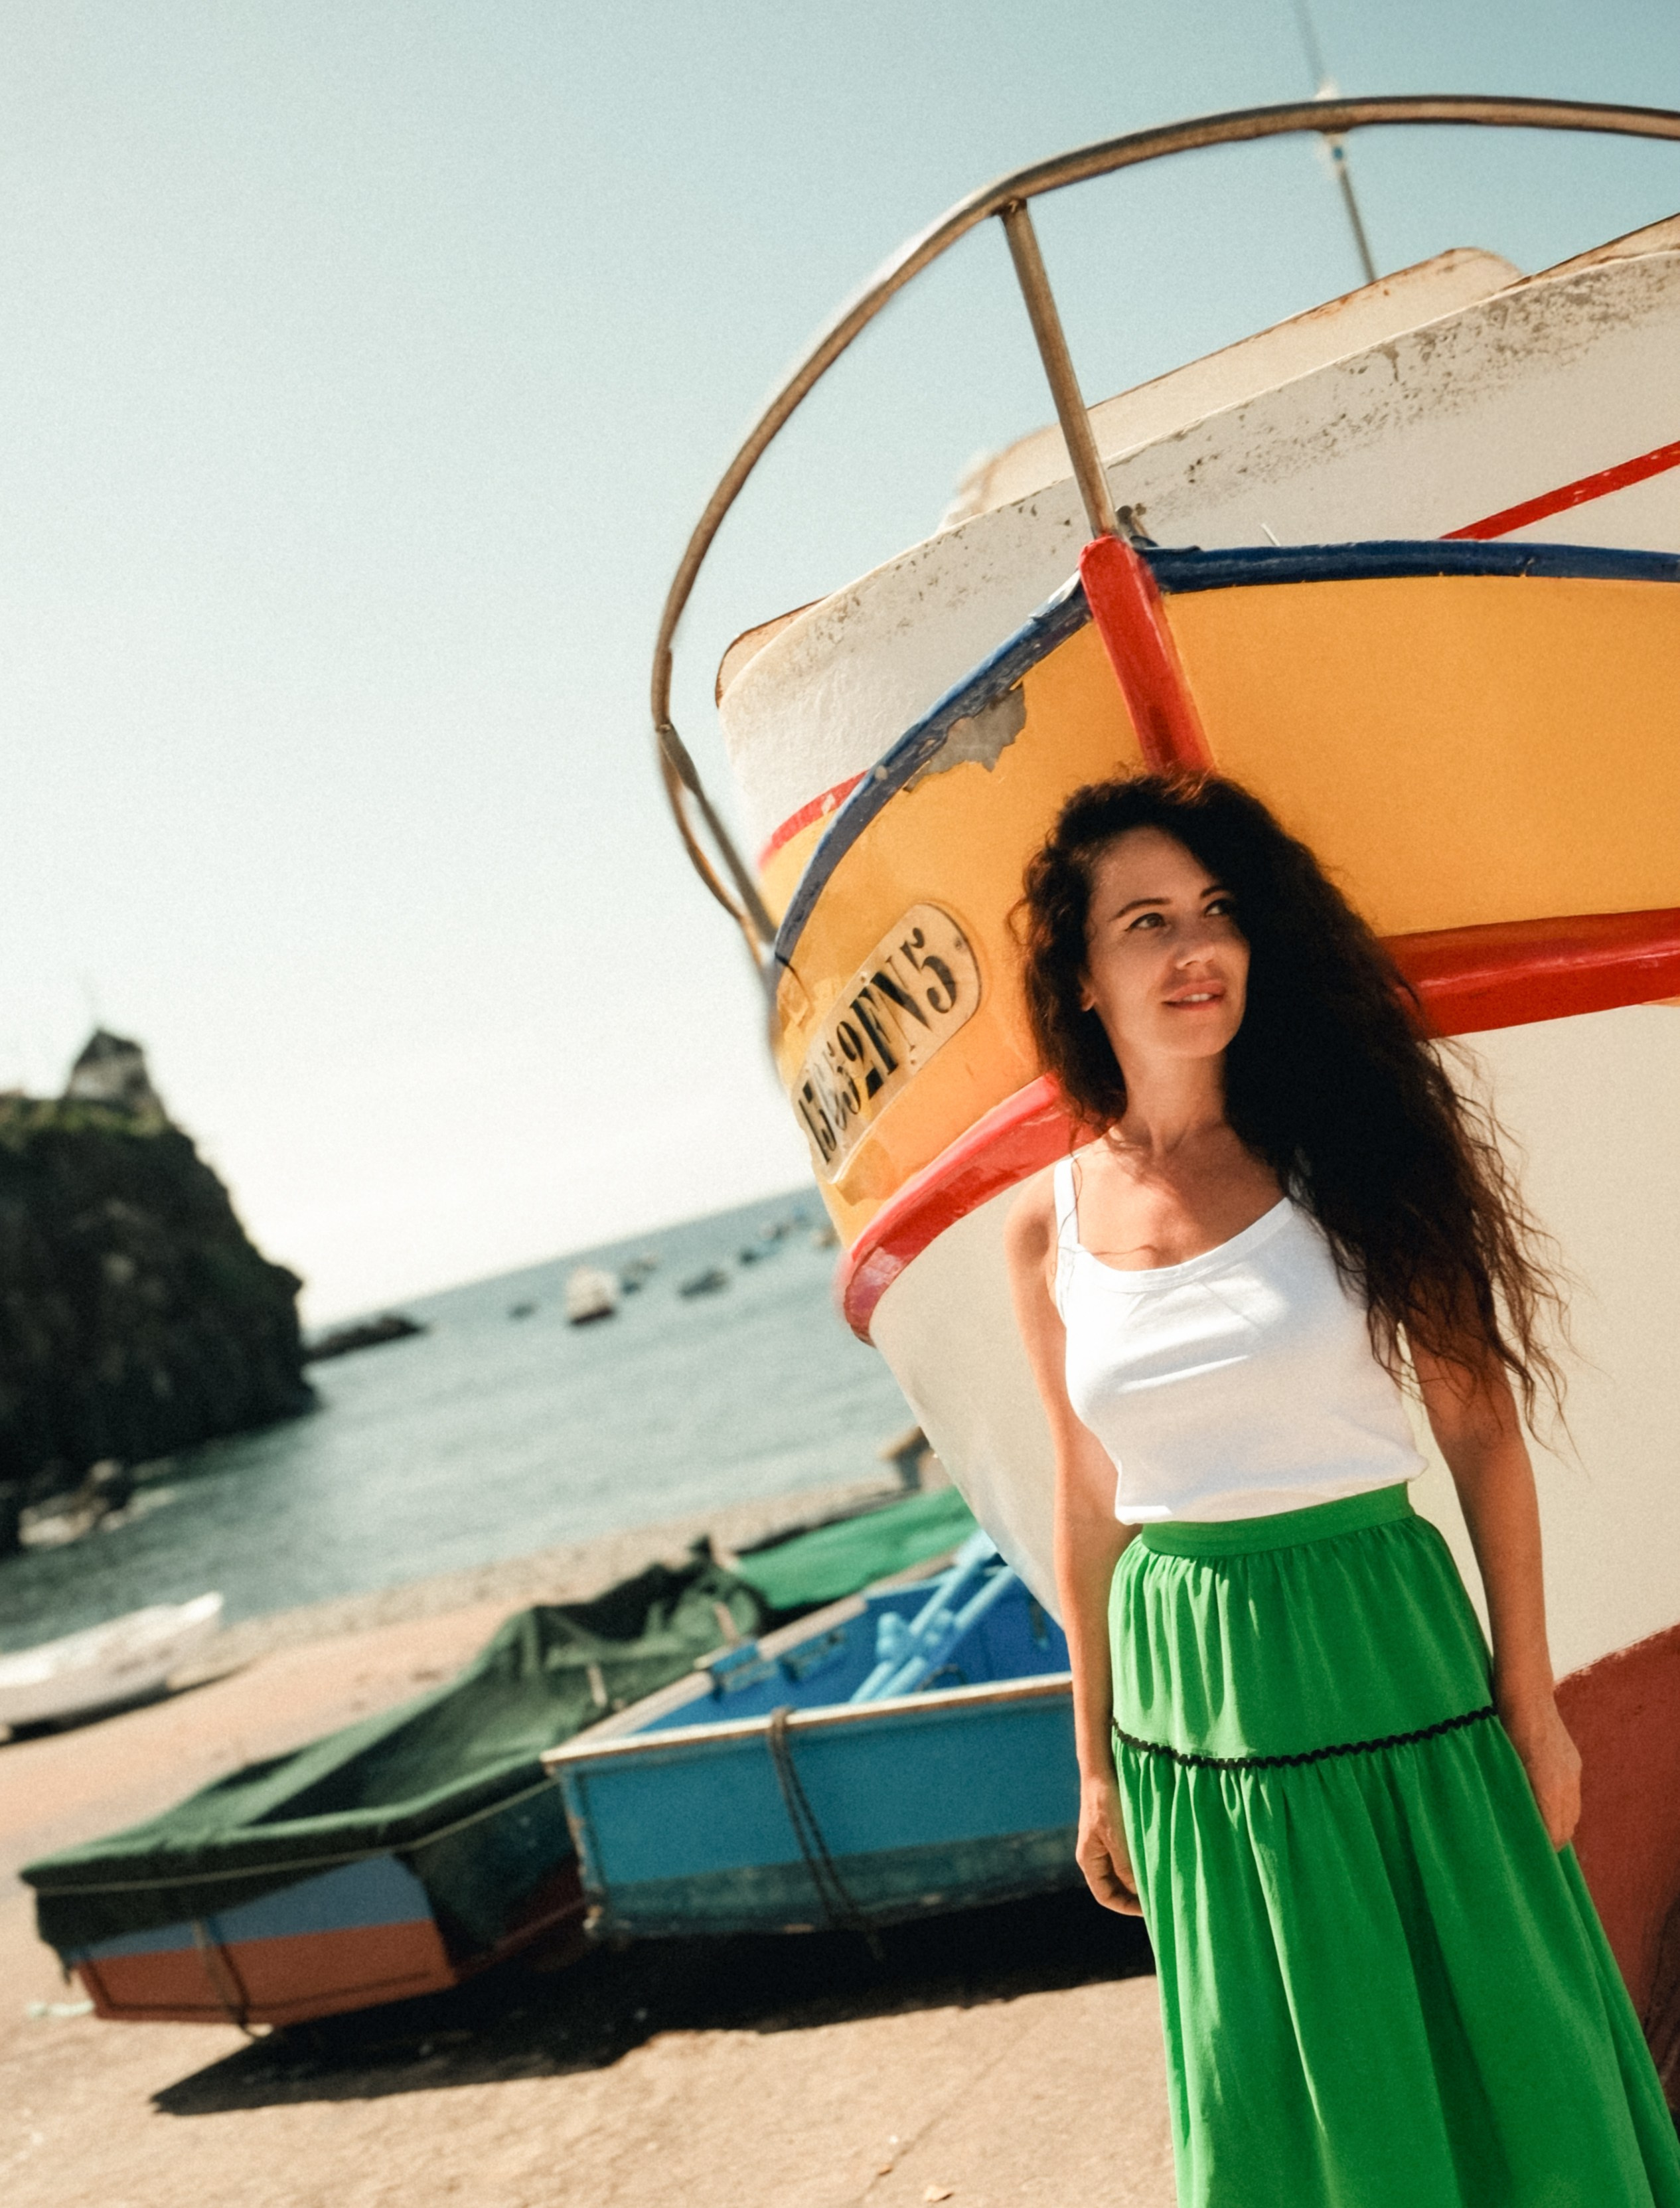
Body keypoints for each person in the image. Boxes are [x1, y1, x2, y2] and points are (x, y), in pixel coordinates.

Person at [1003, 773, 1680, 2208]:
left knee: (1508, 2050)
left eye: (1219, 913)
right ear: (1078, 968)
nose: (1196, 948)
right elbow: (1086, 1511)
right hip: (1189, 1700)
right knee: (1282, 2094)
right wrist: (1091, 1762)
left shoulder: (1350, 1156)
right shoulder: (1043, 1226)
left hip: (1387, 1647)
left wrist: (1534, 1699)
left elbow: (1482, 1430)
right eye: (1147, 921)